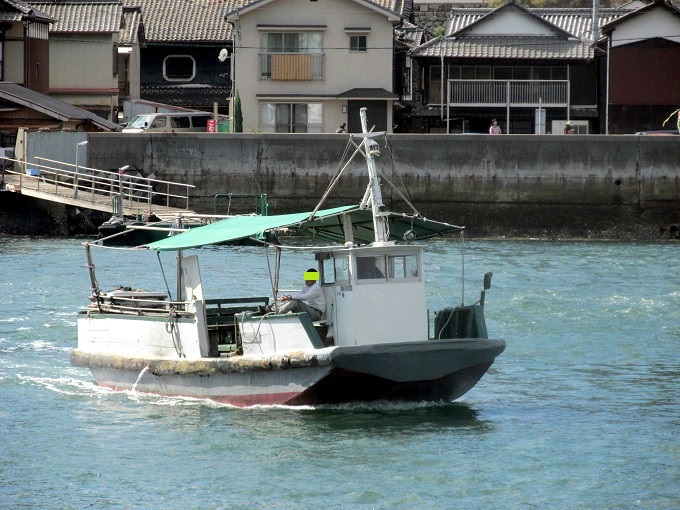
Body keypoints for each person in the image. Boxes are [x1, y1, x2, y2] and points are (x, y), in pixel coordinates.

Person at [261, 268, 326, 321]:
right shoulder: (305, 288)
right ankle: (273, 309)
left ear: (314, 279)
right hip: (310, 311)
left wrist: (290, 297)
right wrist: (286, 297)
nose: (306, 279)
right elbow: (298, 295)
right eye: (306, 277)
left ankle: (276, 313)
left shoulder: (316, 287)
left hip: (316, 314)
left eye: (309, 277)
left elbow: (305, 297)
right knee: (293, 300)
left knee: (294, 302)